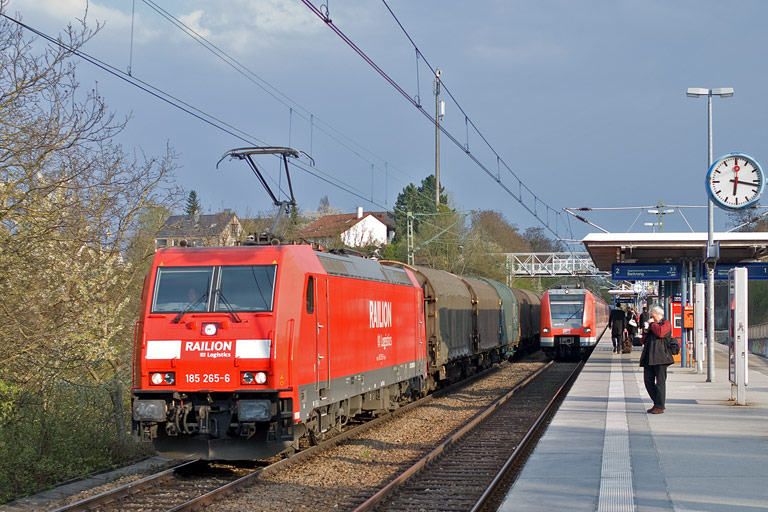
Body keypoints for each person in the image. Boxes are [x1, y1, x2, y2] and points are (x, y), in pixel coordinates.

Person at [639, 305, 674, 414]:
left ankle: (659, 406)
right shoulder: (652, 326)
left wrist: (652, 324)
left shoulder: (666, 324)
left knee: (660, 383)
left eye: (653, 317)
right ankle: (657, 402)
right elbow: (642, 341)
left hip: (661, 358)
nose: (651, 319)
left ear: (660, 315)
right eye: (650, 317)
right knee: (648, 381)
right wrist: (645, 331)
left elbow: (660, 333)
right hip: (649, 358)